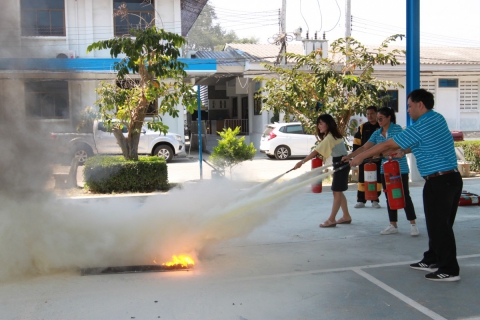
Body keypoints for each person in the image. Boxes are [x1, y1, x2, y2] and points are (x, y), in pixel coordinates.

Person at [350, 89, 463, 282]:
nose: (408, 110)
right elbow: (422, 143)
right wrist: (404, 151)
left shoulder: (423, 123)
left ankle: (449, 269)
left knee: (440, 226)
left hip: (440, 181)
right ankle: (432, 258)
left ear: (420, 105)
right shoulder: (436, 119)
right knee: (437, 224)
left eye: (409, 106)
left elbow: (387, 145)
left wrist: (360, 156)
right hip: (447, 180)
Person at [342, 107, 419, 236]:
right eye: (378, 119)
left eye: (381, 118)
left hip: (400, 169)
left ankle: (413, 224)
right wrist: (350, 156)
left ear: (389, 117)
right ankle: (393, 224)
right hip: (385, 169)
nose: (379, 121)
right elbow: (365, 148)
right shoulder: (377, 134)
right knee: (389, 196)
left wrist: (392, 151)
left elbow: (400, 146)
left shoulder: (397, 129)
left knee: (404, 195)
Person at [293, 114, 351, 228]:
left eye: (321, 123)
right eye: (318, 123)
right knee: (337, 191)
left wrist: (302, 162)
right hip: (340, 164)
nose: (318, 126)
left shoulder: (330, 137)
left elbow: (316, 151)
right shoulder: (331, 135)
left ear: (328, 124)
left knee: (337, 192)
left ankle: (331, 219)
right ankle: (346, 216)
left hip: (342, 164)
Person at [352, 106, 382, 208]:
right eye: (368, 114)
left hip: (378, 159)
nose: (369, 116)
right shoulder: (362, 127)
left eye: (372, 114)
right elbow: (357, 143)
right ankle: (361, 200)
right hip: (364, 159)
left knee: (377, 179)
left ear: (376, 114)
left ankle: (375, 200)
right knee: (362, 179)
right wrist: (356, 156)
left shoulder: (381, 126)